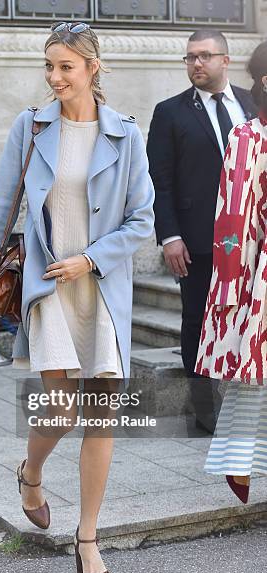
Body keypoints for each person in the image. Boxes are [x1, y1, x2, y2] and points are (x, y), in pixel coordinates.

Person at [0, 22, 154, 573]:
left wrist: (91, 259)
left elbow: (142, 220)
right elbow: (2, 207)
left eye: (66, 66)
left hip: (100, 290)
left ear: (92, 68)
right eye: (49, 66)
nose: (54, 77)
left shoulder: (125, 134)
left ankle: (88, 539)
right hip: (49, 290)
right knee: (60, 411)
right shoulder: (31, 126)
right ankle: (32, 474)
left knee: (102, 417)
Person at [147, 29, 257, 433]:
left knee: (252, 318)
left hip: (251, 239)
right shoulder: (170, 112)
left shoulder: (251, 103)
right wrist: (169, 235)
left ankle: (250, 402)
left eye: (205, 56)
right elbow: (159, 180)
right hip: (197, 240)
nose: (196, 63)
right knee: (197, 319)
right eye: (190, 57)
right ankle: (204, 409)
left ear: (225, 60)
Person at [195, 41, 267, 505]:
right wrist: (231, 292)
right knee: (253, 378)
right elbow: (233, 222)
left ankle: (240, 461)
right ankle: (240, 461)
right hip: (261, 277)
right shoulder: (249, 137)